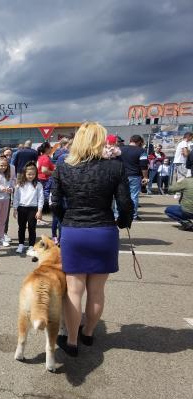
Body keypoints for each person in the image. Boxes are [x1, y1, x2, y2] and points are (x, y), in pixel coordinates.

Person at [50, 122, 133, 358]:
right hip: (104, 230)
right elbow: (126, 203)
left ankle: (72, 341)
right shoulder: (115, 167)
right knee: (97, 291)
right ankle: (88, 332)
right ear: (101, 141)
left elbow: (54, 202)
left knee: (74, 291)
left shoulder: (63, 167)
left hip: (74, 230)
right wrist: (123, 222)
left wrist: (65, 219)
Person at [13, 162, 44, 256]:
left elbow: (41, 198)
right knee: (21, 227)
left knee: (32, 228)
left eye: (33, 174)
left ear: (36, 174)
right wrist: (15, 209)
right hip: (22, 208)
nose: (31, 176)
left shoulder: (38, 185)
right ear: (24, 174)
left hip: (33, 209)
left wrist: (39, 211)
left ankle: (31, 245)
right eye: (29, 174)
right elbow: (16, 197)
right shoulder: (19, 184)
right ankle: (21, 244)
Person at [119, 135, 149, 220]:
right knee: (134, 196)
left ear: (130, 140)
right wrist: (145, 177)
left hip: (121, 175)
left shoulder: (120, 149)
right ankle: (133, 215)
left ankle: (117, 214)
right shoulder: (141, 151)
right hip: (134, 176)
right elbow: (144, 165)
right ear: (139, 142)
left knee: (120, 195)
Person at [36, 141, 55, 208]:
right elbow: (44, 170)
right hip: (46, 179)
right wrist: (54, 172)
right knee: (45, 195)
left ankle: (41, 209)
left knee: (41, 194)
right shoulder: (46, 158)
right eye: (50, 148)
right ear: (47, 149)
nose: (51, 149)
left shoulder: (41, 157)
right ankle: (44, 209)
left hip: (41, 178)